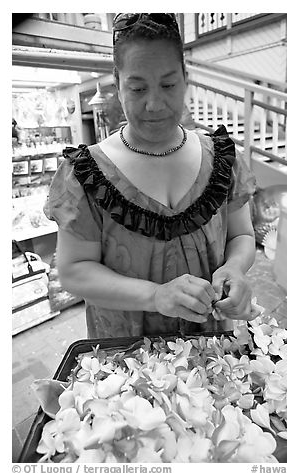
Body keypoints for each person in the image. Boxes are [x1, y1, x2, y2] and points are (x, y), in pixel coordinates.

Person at [44, 13, 258, 338]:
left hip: (207, 352)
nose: (155, 104)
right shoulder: (87, 175)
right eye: (138, 88)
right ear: (117, 84)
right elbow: (74, 271)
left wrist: (234, 269)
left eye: (169, 85)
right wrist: (155, 296)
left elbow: (241, 236)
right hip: (126, 362)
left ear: (186, 78)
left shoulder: (222, 160)